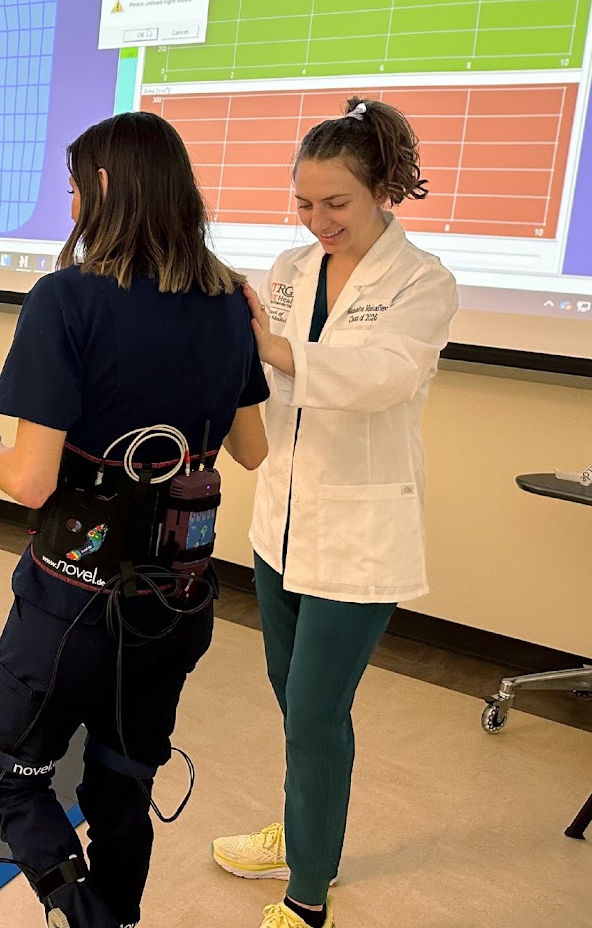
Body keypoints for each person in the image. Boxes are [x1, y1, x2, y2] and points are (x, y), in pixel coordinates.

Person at [0, 111, 269, 928]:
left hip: (72, 602)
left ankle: (81, 912)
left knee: (7, 763)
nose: (67, 208)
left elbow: (30, 481)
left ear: (101, 186)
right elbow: (251, 449)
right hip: (175, 601)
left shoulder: (67, 299)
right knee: (122, 775)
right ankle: (115, 914)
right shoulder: (225, 301)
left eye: (69, 188)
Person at [210, 97, 459, 928]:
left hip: (360, 531)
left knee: (316, 709)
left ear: (383, 189)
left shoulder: (423, 282)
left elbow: (385, 376)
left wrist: (277, 350)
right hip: (282, 512)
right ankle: (302, 829)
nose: (317, 220)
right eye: (304, 203)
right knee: (291, 696)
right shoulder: (287, 269)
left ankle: (308, 892)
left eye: (336, 203)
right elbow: (264, 379)